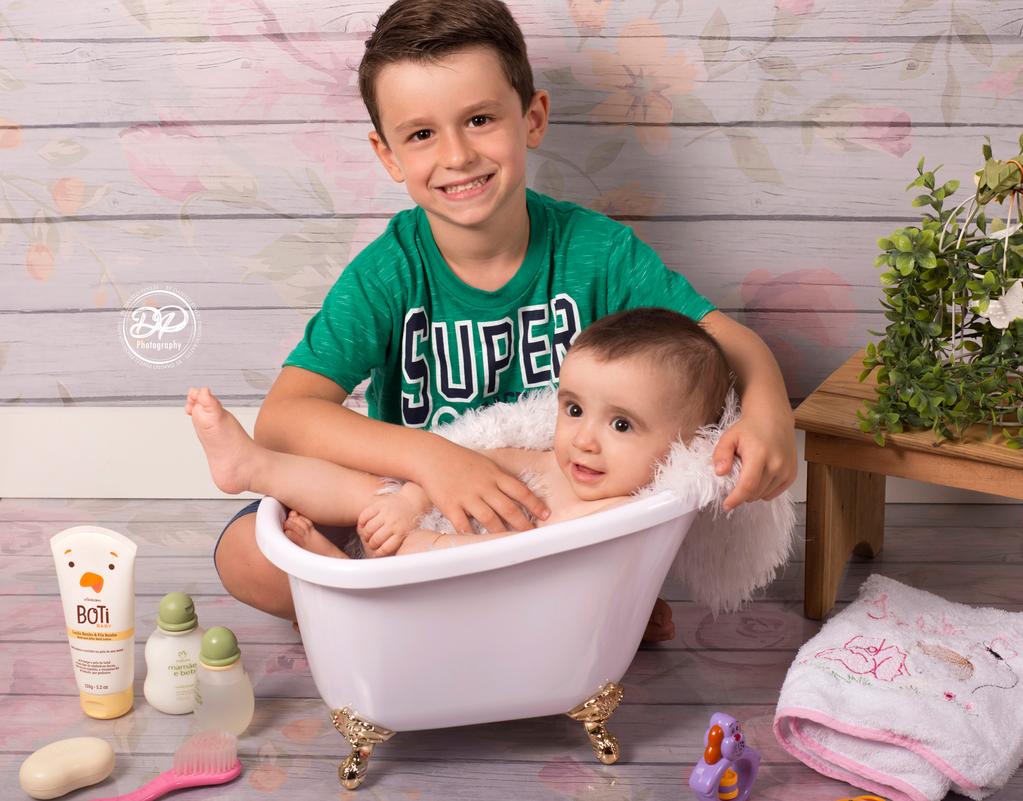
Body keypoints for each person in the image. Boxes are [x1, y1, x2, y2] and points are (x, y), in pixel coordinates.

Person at [213, 0, 797, 641]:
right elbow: (284, 417)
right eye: (421, 134)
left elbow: (721, 340)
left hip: (553, 506)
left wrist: (770, 415)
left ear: (532, 118)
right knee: (248, 554)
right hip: (414, 503)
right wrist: (435, 461)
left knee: (624, 508)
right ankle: (539, 617)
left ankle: (433, 619)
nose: (458, 155)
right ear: (388, 156)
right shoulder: (389, 272)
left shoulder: (596, 252)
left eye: (481, 119)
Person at [190, 308, 731, 564]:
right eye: (572, 409)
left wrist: (432, 545)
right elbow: (490, 456)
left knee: (394, 580)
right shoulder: (556, 465)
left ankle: (342, 579)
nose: (584, 441)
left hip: (458, 572)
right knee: (367, 490)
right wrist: (410, 499)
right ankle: (255, 468)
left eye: (620, 425)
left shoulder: (615, 514)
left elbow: (523, 555)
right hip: (428, 525)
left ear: (687, 445)